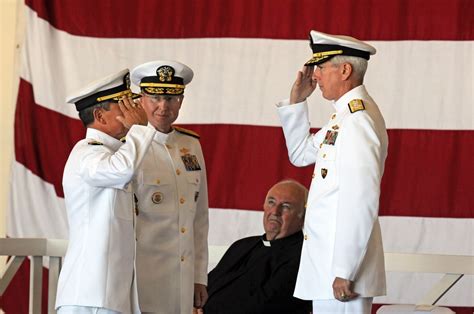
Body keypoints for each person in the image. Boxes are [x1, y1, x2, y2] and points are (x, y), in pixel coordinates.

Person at [276, 30, 388, 314]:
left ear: (345, 70)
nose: (315, 76)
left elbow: (360, 200)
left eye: (321, 68)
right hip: (329, 267)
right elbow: (301, 154)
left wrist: (344, 269)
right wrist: (297, 102)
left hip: (342, 271)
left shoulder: (358, 120)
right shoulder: (344, 117)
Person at [55, 69, 156, 313]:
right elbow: (122, 170)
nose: (134, 111)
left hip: (108, 296)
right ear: (99, 115)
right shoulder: (86, 153)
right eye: (123, 106)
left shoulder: (113, 153)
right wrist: (141, 130)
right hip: (89, 295)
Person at [130, 60, 209, 314]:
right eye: (155, 97)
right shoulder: (128, 148)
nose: (163, 106)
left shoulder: (191, 145)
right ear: (141, 99)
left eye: (172, 99)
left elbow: (198, 219)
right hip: (143, 277)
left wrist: (199, 276)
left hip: (182, 279)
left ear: (181, 100)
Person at [200, 180, 312, 314]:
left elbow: (263, 306)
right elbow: (207, 285)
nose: (275, 211)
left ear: (303, 215)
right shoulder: (242, 246)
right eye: (271, 202)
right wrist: (195, 306)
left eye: (286, 206)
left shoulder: (304, 258)